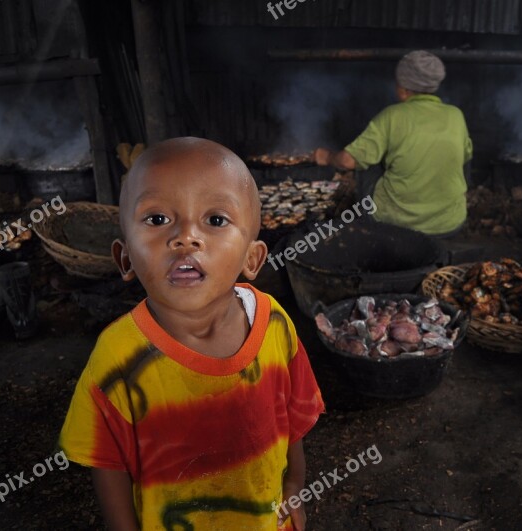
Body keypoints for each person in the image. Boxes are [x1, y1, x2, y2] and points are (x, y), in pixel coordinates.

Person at [58, 137, 324, 530]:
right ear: (125, 257)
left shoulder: (273, 323)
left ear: (252, 258)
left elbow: (293, 418)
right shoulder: (118, 355)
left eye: (215, 220)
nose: (185, 237)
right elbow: (107, 463)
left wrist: (295, 485)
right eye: (157, 219)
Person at [314, 50, 473, 237]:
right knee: (460, 153)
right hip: (449, 223)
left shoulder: (392, 115)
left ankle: (372, 228)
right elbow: (466, 156)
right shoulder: (456, 115)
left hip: (397, 223)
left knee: (366, 162)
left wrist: (326, 156)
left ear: (404, 90)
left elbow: (348, 161)